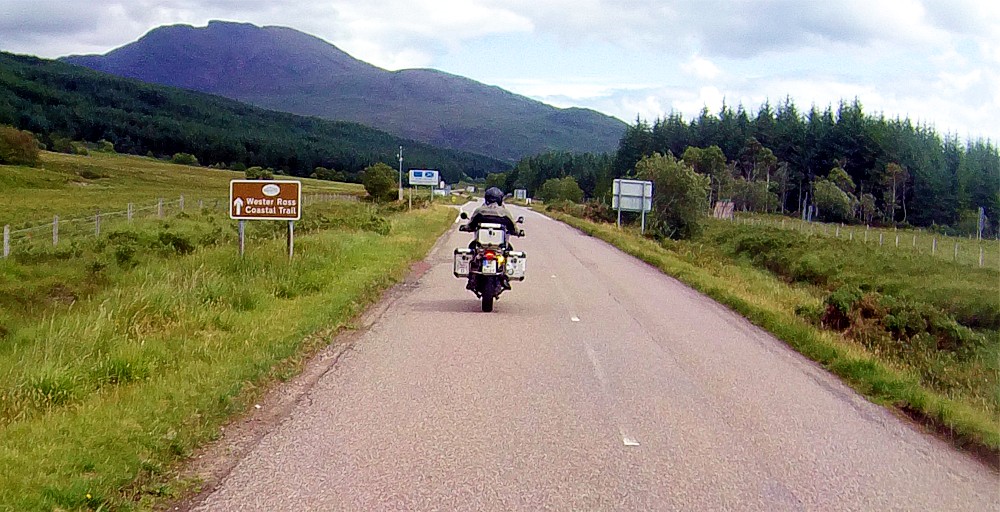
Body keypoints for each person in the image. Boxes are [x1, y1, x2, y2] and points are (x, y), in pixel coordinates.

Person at [463, 187, 521, 291]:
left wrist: (465, 228)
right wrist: (518, 232)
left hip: (482, 245)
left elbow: (470, 225)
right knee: (509, 251)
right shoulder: (505, 212)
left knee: (472, 249)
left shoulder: (479, 211)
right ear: (500, 199)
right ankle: (505, 276)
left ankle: (471, 277)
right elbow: (513, 227)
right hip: (500, 247)